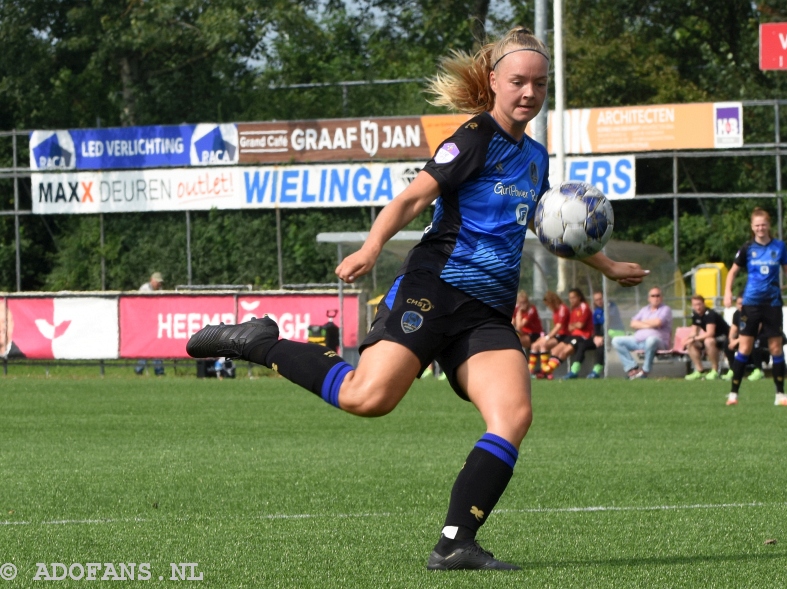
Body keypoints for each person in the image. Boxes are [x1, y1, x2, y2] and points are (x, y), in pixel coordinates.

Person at [187, 26, 646, 571]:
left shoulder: (536, 158)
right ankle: (262, 343)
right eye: (519, 81)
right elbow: (411, 198)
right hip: (434, 289)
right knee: (367, 398)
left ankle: (456, 542)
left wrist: (607, 262)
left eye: (539, 85)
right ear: (494, 80)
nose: (529, 93)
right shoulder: (473, 137)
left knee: (513, 415)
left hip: (487, 312)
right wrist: (371, 246)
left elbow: (552, 229)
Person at [723, 207, 787, 406]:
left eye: (763, 225)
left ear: (769, 226)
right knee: (745, 347)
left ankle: (780, 395)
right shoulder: (748, 248)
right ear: (752, 227)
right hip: (751, 303)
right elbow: (732, 272)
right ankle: (733, 394)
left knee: (776, 347)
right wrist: (728, 292)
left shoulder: (779, 247)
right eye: (757, 225)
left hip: (773, 303)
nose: (760, 228)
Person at [611, 287, 672, 379]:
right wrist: (650, 324)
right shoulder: (644, 309)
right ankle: (632, 368)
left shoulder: (665, 309)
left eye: (658, 295)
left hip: (658, 342)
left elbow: (658, 322)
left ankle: (645, 371)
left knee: (651, 339)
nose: (655, 298)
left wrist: (642, 322)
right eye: (653, 296)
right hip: (639, 341)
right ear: (649, 298)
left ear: (661, 297)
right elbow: (633, 323)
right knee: (616, 340)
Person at [541, 288, 593, 379]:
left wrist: (575, 325)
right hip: (573, 335)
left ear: (579, 297)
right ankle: (547, 372)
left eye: (574, 297)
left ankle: (546, 371)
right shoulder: (573, 309)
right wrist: (575, 325)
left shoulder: (584, 306)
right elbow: (570, 326)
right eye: (570, 298)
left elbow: (580, 325)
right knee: (554, 350)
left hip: (583, 336)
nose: (571, 300)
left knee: (563, 352)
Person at [721, 295, 769, 382]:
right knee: (726, 343)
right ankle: (733, 369)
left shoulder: (754, 313)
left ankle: (758, 370)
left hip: (760, 338)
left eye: (743, 303)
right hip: (743, 338)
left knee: (753, 342)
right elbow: (733, 329)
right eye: (739, 303)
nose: (741, 306)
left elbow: (754, 332)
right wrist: (731, 340)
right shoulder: (737, 314)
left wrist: (737, 341)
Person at [684, 294, 729, 381]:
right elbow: (694, 332)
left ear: (703, 304)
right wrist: (687, 339)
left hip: (724, 338)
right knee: (690, 343)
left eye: (699, 304)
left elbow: (710, 333)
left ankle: (715, 370)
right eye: (695, 305)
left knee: (708, 341)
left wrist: (694, 339)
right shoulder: (695, 314)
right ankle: (700, 371)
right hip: (712, 338)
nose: (697, 307)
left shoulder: (710, 314)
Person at [530, 291, 569, 379]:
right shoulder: (556, 311)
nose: (548, 307)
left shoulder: (563, 308)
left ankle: (545, 372)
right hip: (558, 335)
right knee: (535, 345)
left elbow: (559, 326)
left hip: (564, 336)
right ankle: (530, 371)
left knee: (544, 344)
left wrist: (547, 337)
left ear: (552, 301)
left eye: (548, 304)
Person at [135, 272, 166, 376]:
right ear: (152, 280)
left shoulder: (160, 290)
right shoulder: (144, 289)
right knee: (145, 346)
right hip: (144, 322)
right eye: (158, 282)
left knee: (156, 347)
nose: (159, 284)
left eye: (160, 283)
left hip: (155, 322)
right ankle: (139, 368)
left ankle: (158, 370)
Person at [512, 290, 543, 357]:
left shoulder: (531, 309)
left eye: (525, 302)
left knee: (515, 341)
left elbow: (519, 326)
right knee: (509, 338)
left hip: (534, 334)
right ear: (518, 302)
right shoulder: (516, 307)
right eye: (521, 303)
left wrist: (519, 312)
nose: (523, 304)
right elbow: (511, 323)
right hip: (523, 334)